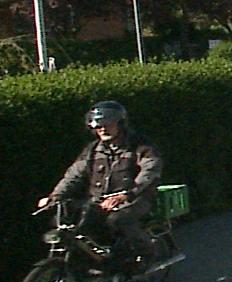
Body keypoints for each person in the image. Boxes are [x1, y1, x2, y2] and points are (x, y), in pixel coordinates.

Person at [38, 102, 164, 266]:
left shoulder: (140, 146)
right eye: (98, 126)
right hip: (99, 200)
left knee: (118, 220)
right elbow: (73, 175)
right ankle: (95, 262)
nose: (103, 129)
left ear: (120, 123)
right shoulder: (92, 150)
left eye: (108, 124)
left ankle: (147, 253)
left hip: (136, 198)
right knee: (68, 221)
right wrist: (55, 196)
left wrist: (127, 194)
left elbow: (150, 171)